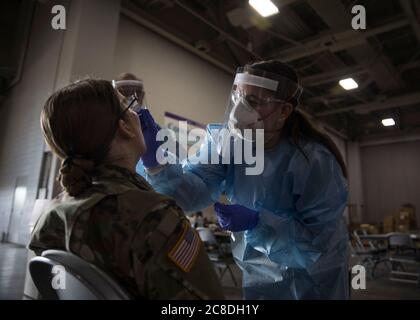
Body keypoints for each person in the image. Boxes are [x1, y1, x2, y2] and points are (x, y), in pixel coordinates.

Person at [140, 60, 349, 299]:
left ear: (284, 111)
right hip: (258, 273)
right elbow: (189, 194)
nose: (239, 109)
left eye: (254, 101)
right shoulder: (228, 143)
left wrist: (259, 223)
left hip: (314, 280)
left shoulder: (313, 161)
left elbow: (315, 242)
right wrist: (157, 164)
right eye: (239, 96)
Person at [29, 78, 224, 300]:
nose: (139, 113)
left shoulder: (53, 213)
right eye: (130, 106)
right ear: (124, 128)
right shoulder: (153, 217)